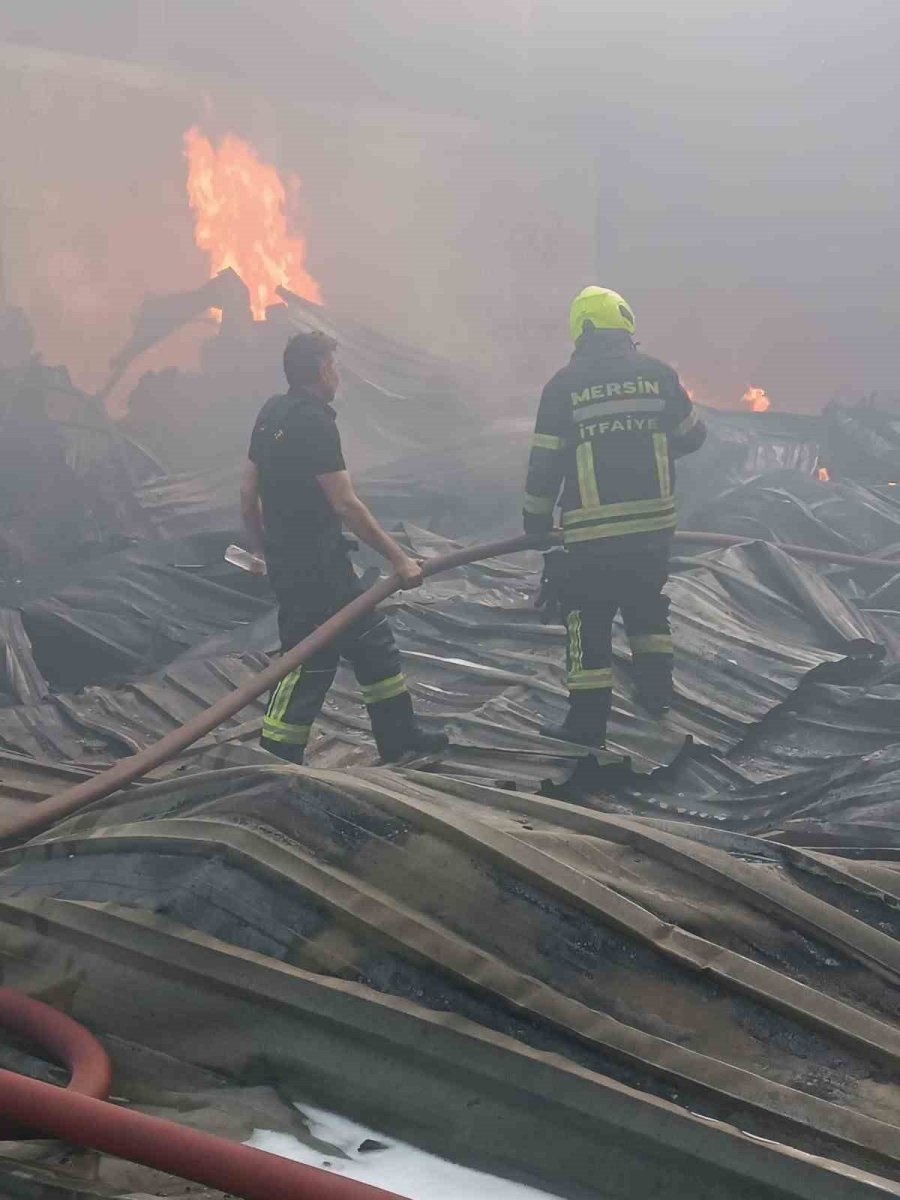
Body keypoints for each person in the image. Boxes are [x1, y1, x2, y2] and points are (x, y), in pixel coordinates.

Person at [241, 330, 448, 765]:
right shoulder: (314, 422)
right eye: (334, 365)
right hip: (316, 566)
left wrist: (262, 551)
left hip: (299, 562)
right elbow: (345, 504)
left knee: (371, 640)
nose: (339, 373)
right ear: (320, 370)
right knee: (308, 658)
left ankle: (400, 736)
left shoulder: (271, 412)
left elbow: (247, 492)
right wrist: (399, 559)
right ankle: (277, 754)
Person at [522, 286, 707, 749]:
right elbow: (693, 437)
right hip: (653, 531)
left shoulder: (563, 386)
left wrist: (535, 524)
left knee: (588, 620)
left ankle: (587, 726)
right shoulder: (659, 375)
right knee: (647, 609)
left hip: (594, 536)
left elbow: (544, 465)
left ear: (581, 328)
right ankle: (657, 696)